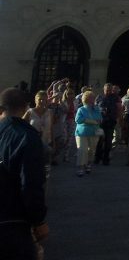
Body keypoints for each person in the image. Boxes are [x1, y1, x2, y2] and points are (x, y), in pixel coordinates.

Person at [0, 87, 48, 260]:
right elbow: (30, 183)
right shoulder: (27, 137)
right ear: (25, 107)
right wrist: (38, 220)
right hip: (13, 222)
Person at [73, 89, 102, 176]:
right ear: (86, 99)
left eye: (93, 98)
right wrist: (91, 121)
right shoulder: (81, 109)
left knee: (91, 150)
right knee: (82, 150)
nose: (93, 100)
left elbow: (99, 119)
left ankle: (88, 164)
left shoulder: (96, 109)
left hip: (94, 132)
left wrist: (89, 120)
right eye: (91, 98)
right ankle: (81, 167)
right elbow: (78, 120)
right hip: (81, 133)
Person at [94, 83, 119, 166]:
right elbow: (95, 107)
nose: (108, 91)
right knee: (99, 141)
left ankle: (106, 159)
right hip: (100, 122)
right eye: (106, 90)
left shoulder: (115, 97)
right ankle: (97, 158)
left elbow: (119, 108)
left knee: (108, 141)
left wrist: (118, 117)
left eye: (109, 90)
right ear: (103, 89)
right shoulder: (99, 97)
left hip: (110, 121)